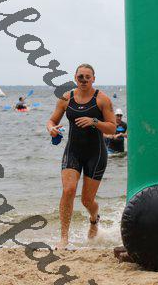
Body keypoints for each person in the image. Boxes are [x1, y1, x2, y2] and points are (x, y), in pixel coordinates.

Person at [46, 64, 116, 248]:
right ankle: (64, 238)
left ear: (93, 79)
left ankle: (94, 218)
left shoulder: (102, 99)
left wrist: (94, 121)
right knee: (68, 190)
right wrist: (51, 129)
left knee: (87, 200)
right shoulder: (66, 98)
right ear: (75, 78)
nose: (84, 80)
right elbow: (52, 120)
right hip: (73, 151)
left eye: (87, 77)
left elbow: (112, 127)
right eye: (80, 77)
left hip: (96, 154)